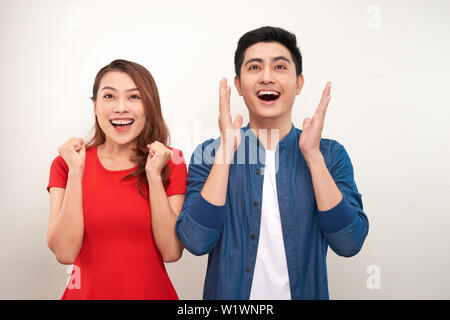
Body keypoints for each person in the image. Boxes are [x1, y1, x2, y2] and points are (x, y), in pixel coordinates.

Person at [175, 26, 369, 300]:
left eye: (279, 67)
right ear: (239, 85)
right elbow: (195, 242)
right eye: (254, 67)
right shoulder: (210, 154)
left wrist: (313, 157)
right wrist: (225, 154)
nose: (267, 77)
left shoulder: (330, 155)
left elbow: (349, 243)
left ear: (299, 83)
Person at [46, 59, 187, 299]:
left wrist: (154, 177)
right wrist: (76, 172)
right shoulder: (66, 164)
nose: (121, 107)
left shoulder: (171, 162)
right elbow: (65, 253)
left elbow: (171, 251)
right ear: (95, 106)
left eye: (134, 97)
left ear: (149, 105)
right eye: (109, 96)